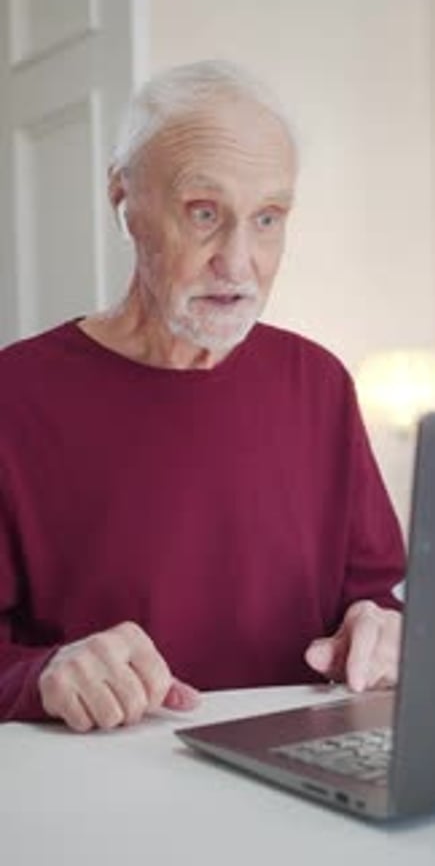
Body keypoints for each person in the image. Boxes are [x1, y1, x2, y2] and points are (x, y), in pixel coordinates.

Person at [0, 60, 404, 733]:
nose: (239, 261)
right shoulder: (14, 394)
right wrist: (43, 676)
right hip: (98, 799)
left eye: (268, 218)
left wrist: (379, 632)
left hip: (303, 784)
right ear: (123, 203)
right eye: (205, 213)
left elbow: (374, 601)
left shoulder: (321, 383)